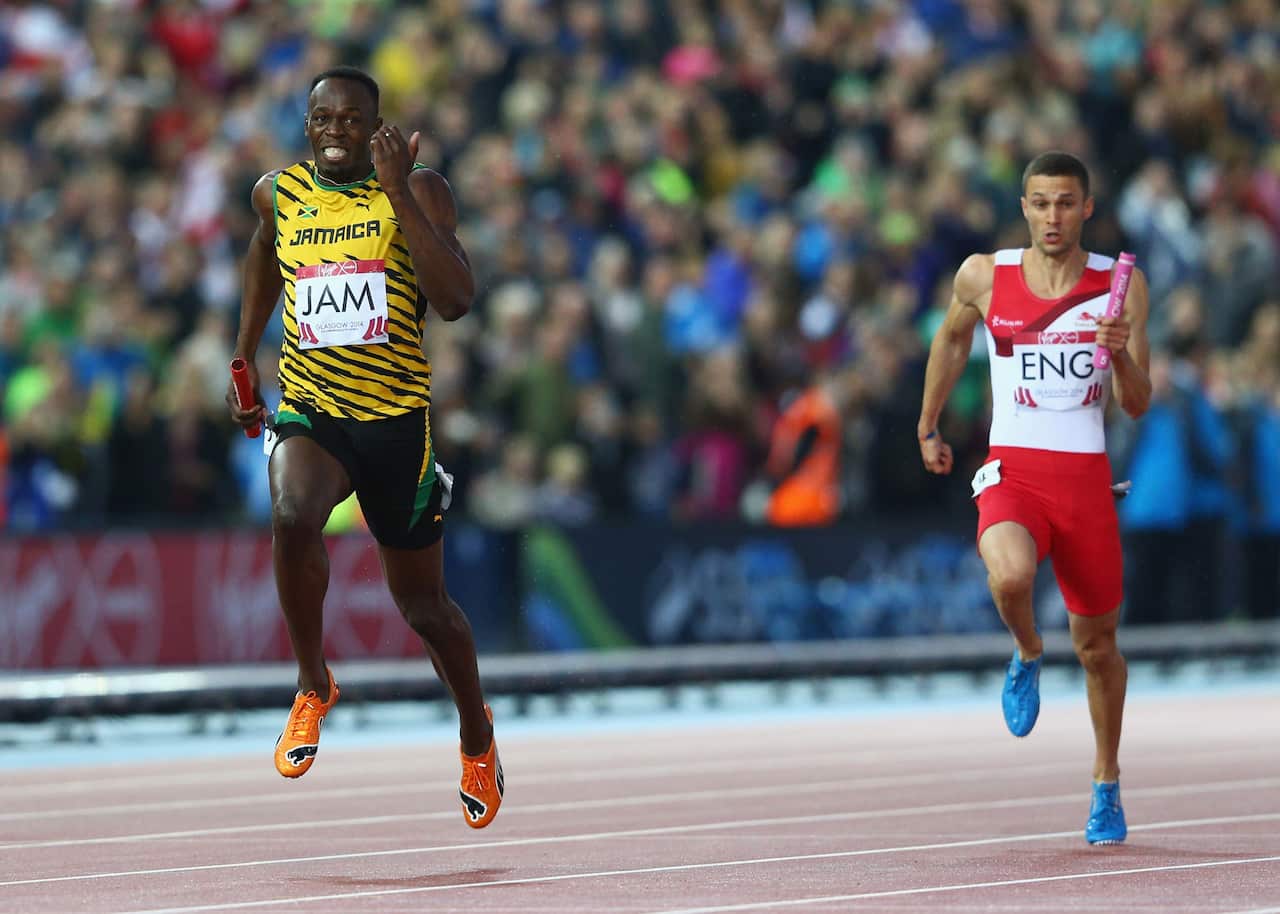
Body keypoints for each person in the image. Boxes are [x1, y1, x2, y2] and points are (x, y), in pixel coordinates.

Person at [226, 66, 503, 829]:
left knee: (425, 608)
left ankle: (476, 733)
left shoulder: (421, 187)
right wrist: (244, 354)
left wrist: (400, 193)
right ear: (307, 124)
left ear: (377, 126)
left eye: (352, 120)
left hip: (395, 427)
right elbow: (261, 254)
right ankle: (314, 685)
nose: (336, 131)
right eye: (323, 119)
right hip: (314, 411)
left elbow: (455, 300)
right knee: (291, 512)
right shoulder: (277, 192)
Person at [917, 151, 1152, 845]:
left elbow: (1136, 405)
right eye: (1041, 203)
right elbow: (953, 343)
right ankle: (1025, 651)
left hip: (1084, 480)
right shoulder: (986, 275)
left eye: (1066, 203)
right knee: (1011, 575)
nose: (1053, 216)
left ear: (1087, 208)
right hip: (1013, 471)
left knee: (1099, 647)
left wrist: (1122, 356)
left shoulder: (1120, 285)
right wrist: (926, 425)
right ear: (1024, 207)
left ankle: (1106, 783)